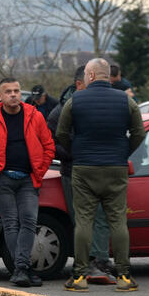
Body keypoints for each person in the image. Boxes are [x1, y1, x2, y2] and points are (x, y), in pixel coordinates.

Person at [56, 57, 146, 293]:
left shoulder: (75, 101)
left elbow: (61, 133)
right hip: (116, 167)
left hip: (84, 168)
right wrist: (123, 152)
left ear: (92, 75)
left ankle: (79, 277)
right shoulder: (127, 101)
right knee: (117, 220)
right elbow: (139, 133)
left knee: (84, 221)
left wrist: (76, 151)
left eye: (87, 74)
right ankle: (124, 276)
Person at [0, 78, 54, 288]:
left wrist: (39, 170)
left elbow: (49, 146)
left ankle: (21, 269)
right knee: (11, 223)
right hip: (1, 180)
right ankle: (23, 269)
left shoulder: (34, 115)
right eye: (8, 91)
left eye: (16, 91)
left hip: (28, 179)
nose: (13, 94)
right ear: (0, 96)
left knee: (29, 221)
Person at [47, 64, 117, 284]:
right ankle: (86, 264)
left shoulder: (97, 106)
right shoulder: (61, 111)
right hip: (74, 171)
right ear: (79, 84)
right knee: (83, 219)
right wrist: (76, 152)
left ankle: (100, 261)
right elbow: (51, 144)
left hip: (101, 168)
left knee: (101, 218)